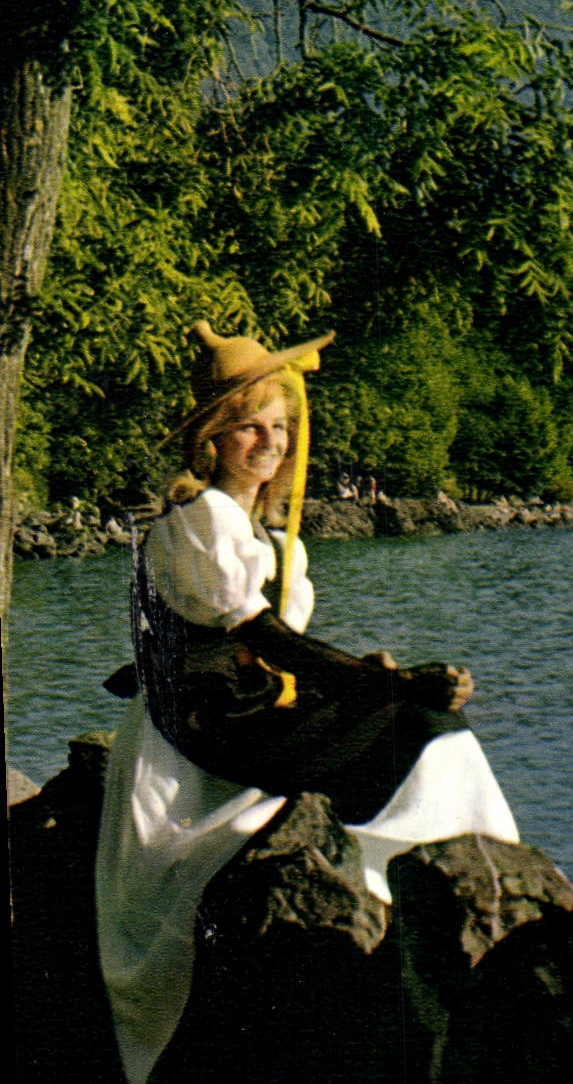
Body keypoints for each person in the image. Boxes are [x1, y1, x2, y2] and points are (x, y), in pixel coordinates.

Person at [95, 322, 519, 1084]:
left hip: (244, 716)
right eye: (248, 426)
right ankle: (431, 890)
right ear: (212, 442)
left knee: (427, 727)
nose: (269, 441)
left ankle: (437, 888)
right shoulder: (199, 522)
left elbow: (279, 647)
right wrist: (381, 682)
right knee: (424, 728)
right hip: (203, 731)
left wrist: (370, 675)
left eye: (279, 426)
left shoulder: (264, 535)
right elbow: (261, 636)